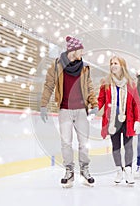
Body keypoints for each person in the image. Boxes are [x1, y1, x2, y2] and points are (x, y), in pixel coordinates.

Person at [40, 36, 98, 187]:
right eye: (80, 50)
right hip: (65, 109)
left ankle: (85, 170)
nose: (82, 53)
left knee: (84, 143)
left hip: (81, 110)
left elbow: (89, 86)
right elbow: (48, 85)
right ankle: (69, 172)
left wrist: (94, 103)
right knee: (66, 143)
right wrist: (43, 105)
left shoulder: (84, 67)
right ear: (73, 51)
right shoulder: (57, 66)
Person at [97, 55, 140, 185]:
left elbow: (136, 103)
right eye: (111, 63)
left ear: (122, 66)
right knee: (116, 146)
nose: (113, 66)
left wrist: (138, 120)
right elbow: (100, 100)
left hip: (128, 119)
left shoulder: (131, 84)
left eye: (116, 63)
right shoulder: (105, 83)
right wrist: (94, 109)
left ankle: (128, 170)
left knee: (128, 146)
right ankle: (119, 170)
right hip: (112, 120)